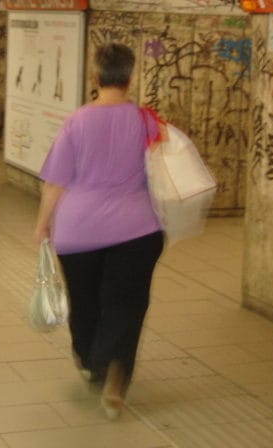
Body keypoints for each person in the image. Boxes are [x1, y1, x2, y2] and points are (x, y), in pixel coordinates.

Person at [34, 42, 163, 421]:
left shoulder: (77, 121)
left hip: (79, 232)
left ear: (95, 78)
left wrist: (43, 222)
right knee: (126, 304)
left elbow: (55, 181)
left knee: (86, 301)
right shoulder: (145, 120)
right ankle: (116, 372)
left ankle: (93, 363)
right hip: (137, 230)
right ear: (130, 77)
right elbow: (162, 169)